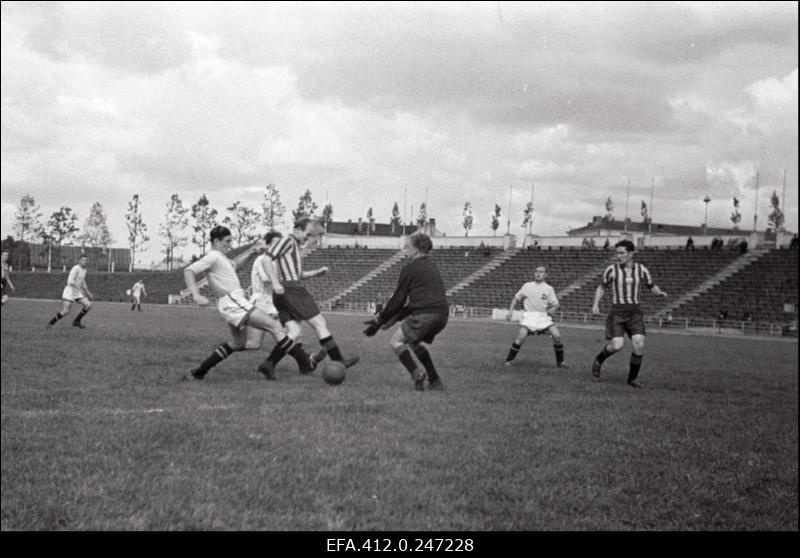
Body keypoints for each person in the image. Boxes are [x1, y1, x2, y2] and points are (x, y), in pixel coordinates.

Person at [183, 225, 321, 381]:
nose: (230, 245)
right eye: (227, 241)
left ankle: (199, 372)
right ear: (216, 241)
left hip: (231, 303)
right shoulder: (213, 256)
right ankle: (306, 362)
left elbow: (235, 266)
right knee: (275, 327)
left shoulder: (221, 258)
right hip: (234, 301)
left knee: (238, 343)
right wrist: (196, 294)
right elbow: (189, 270)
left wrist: (251, 252)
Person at [265, 217, 359, 376]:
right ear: (297, 230)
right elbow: (267, 259)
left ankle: (269, 363)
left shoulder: (294, 246)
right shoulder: (287, 241)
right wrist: (275, 283)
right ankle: (339, 360)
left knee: (293, 332)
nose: (307, 239)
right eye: (307, 235)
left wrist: (317, 272)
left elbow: (298, 274)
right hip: (291, 290)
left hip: (285, 291)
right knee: (319, 322)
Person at [363, 231, 448, 391]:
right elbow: (417, 303)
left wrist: (378, 321)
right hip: (442, 316)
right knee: (413, 342)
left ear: (416, 250)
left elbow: (398, 300)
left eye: (407, 247)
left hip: (425, 315)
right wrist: (394, 319)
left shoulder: (410, 268)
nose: (405, 250)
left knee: (396, 342)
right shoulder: (432, 267)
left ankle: (417, 374)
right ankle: (435, 381)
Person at [590, 240, 668, 388]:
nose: (618, 256)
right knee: (617, 346)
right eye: (617, 253)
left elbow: (651, 285)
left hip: (634, 313)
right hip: (617, 313)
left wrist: (659, 293)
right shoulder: (611, 269)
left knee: (639, 343)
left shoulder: (641, 269)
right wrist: (595, 304)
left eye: (622, 253)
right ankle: (599, 359)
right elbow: (601, 287)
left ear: (631, 253)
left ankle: (632, 379)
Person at [504, 265, 568, 369]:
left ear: (545, 274)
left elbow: (556, 303)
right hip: (529, 316)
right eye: (536, 272)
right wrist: (510, 311)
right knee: (521, 336)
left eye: (541, 272)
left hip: (543, 317)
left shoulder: (549, 289)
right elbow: (516, 298)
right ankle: (508, 361)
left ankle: (560, 363)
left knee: (556, 336)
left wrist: (553, 309)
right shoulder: (527, 286)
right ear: (533, 273)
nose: (538, 274)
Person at [47, 254, 94, 329]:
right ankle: (51, 323)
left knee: (88, 305)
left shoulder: (84, 270)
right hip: (69, 291)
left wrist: (88, 292)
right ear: (79, 261)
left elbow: (82, 281)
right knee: (65, 311)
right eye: (83, 260)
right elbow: (70, 281)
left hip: (76, 292)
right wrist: (77, 287)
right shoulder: (76, 268)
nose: (84, 261)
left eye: (86, 260)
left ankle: (76, 322)